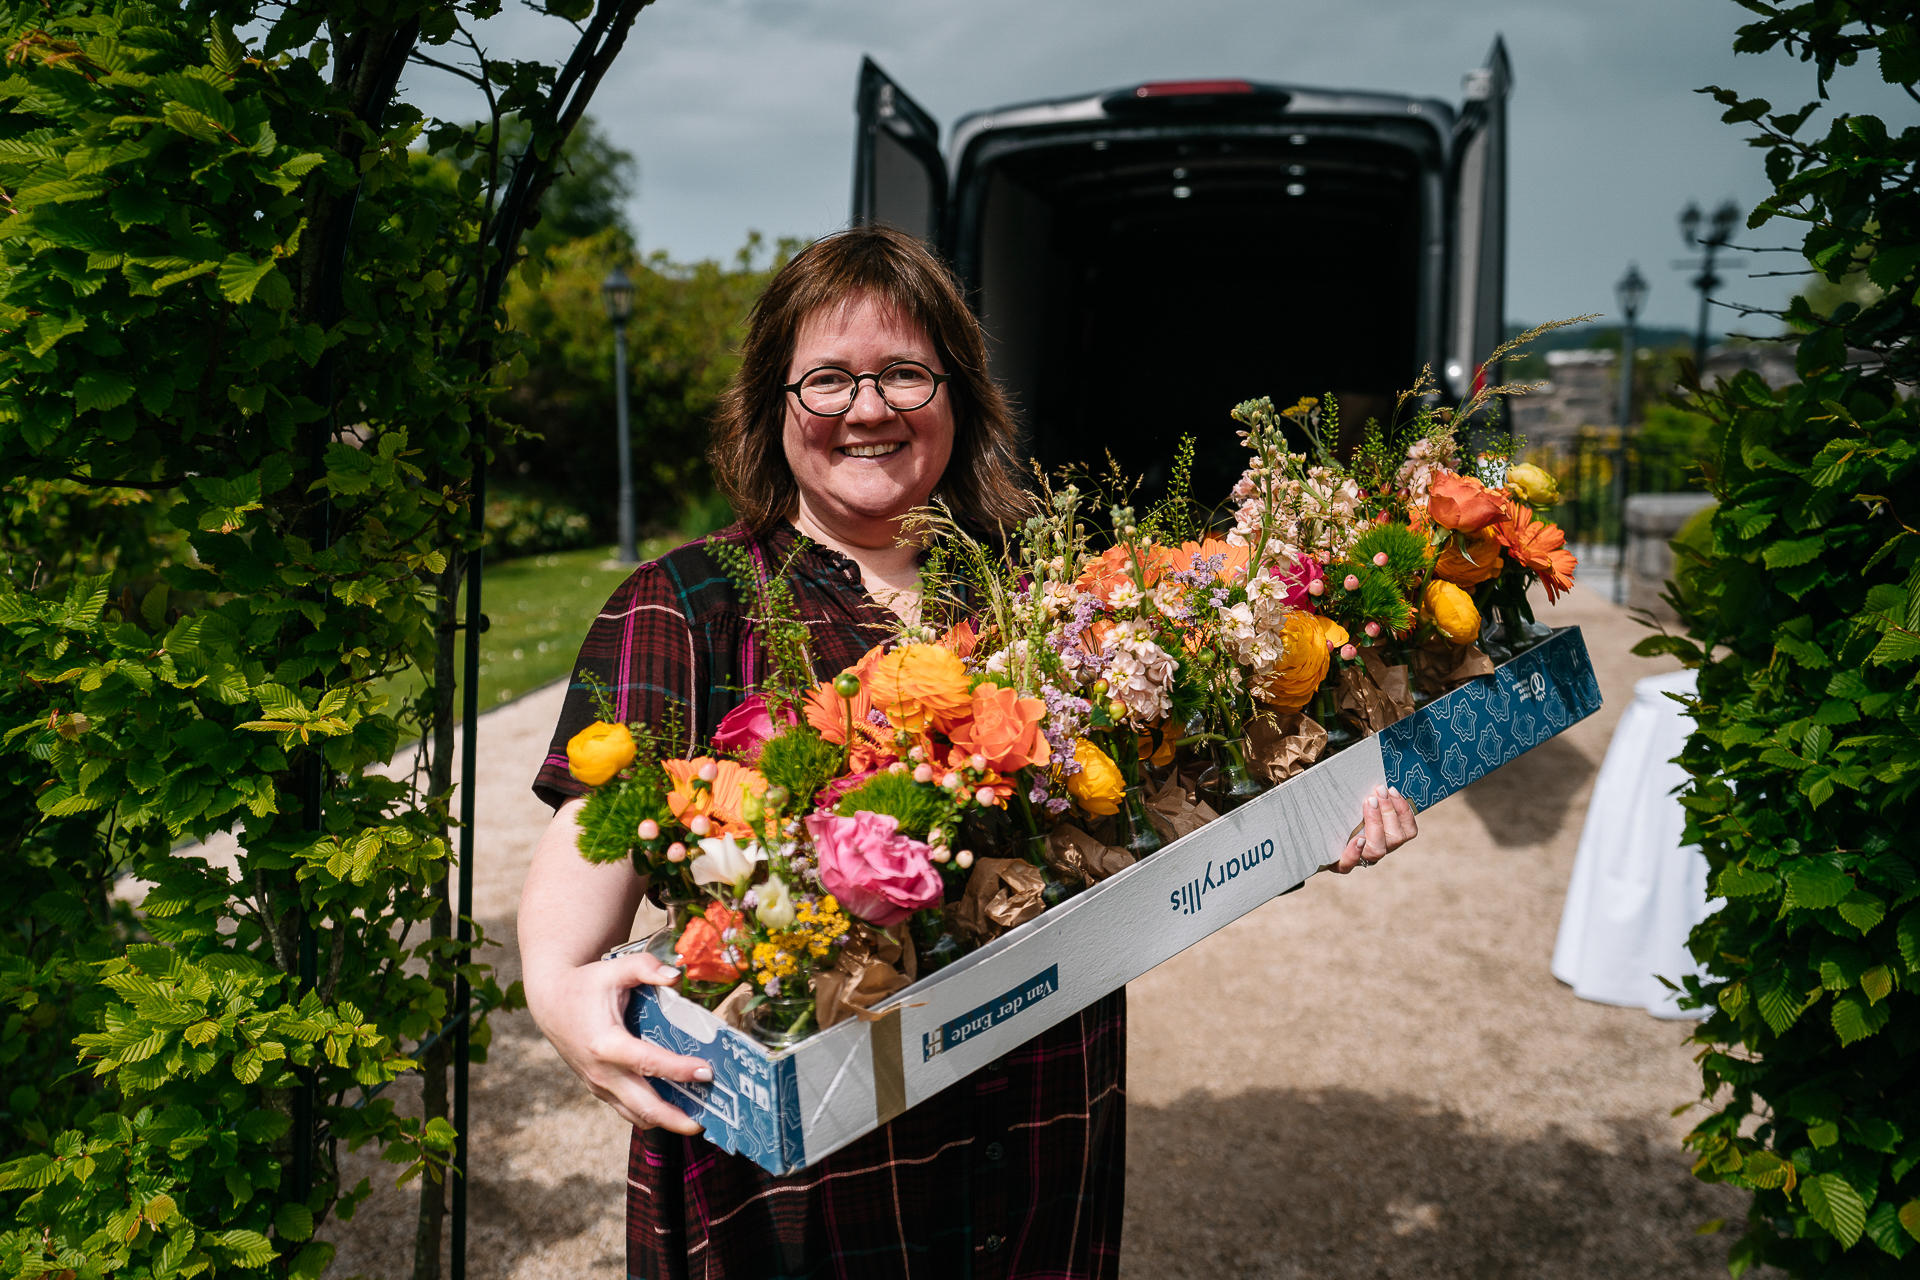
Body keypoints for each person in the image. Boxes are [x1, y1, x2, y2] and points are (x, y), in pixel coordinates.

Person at [517, 224, 1420, 1279]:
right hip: (816, 1165)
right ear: (774, 403)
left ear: (958, 395)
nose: (869, 408)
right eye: (828, 380)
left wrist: (1310, 814)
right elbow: (597, 826)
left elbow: (1172, 800)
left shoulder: (1052, 594)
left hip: (1040, 1115)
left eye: (906, 373)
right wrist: (557, 983)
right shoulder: (688, 602)